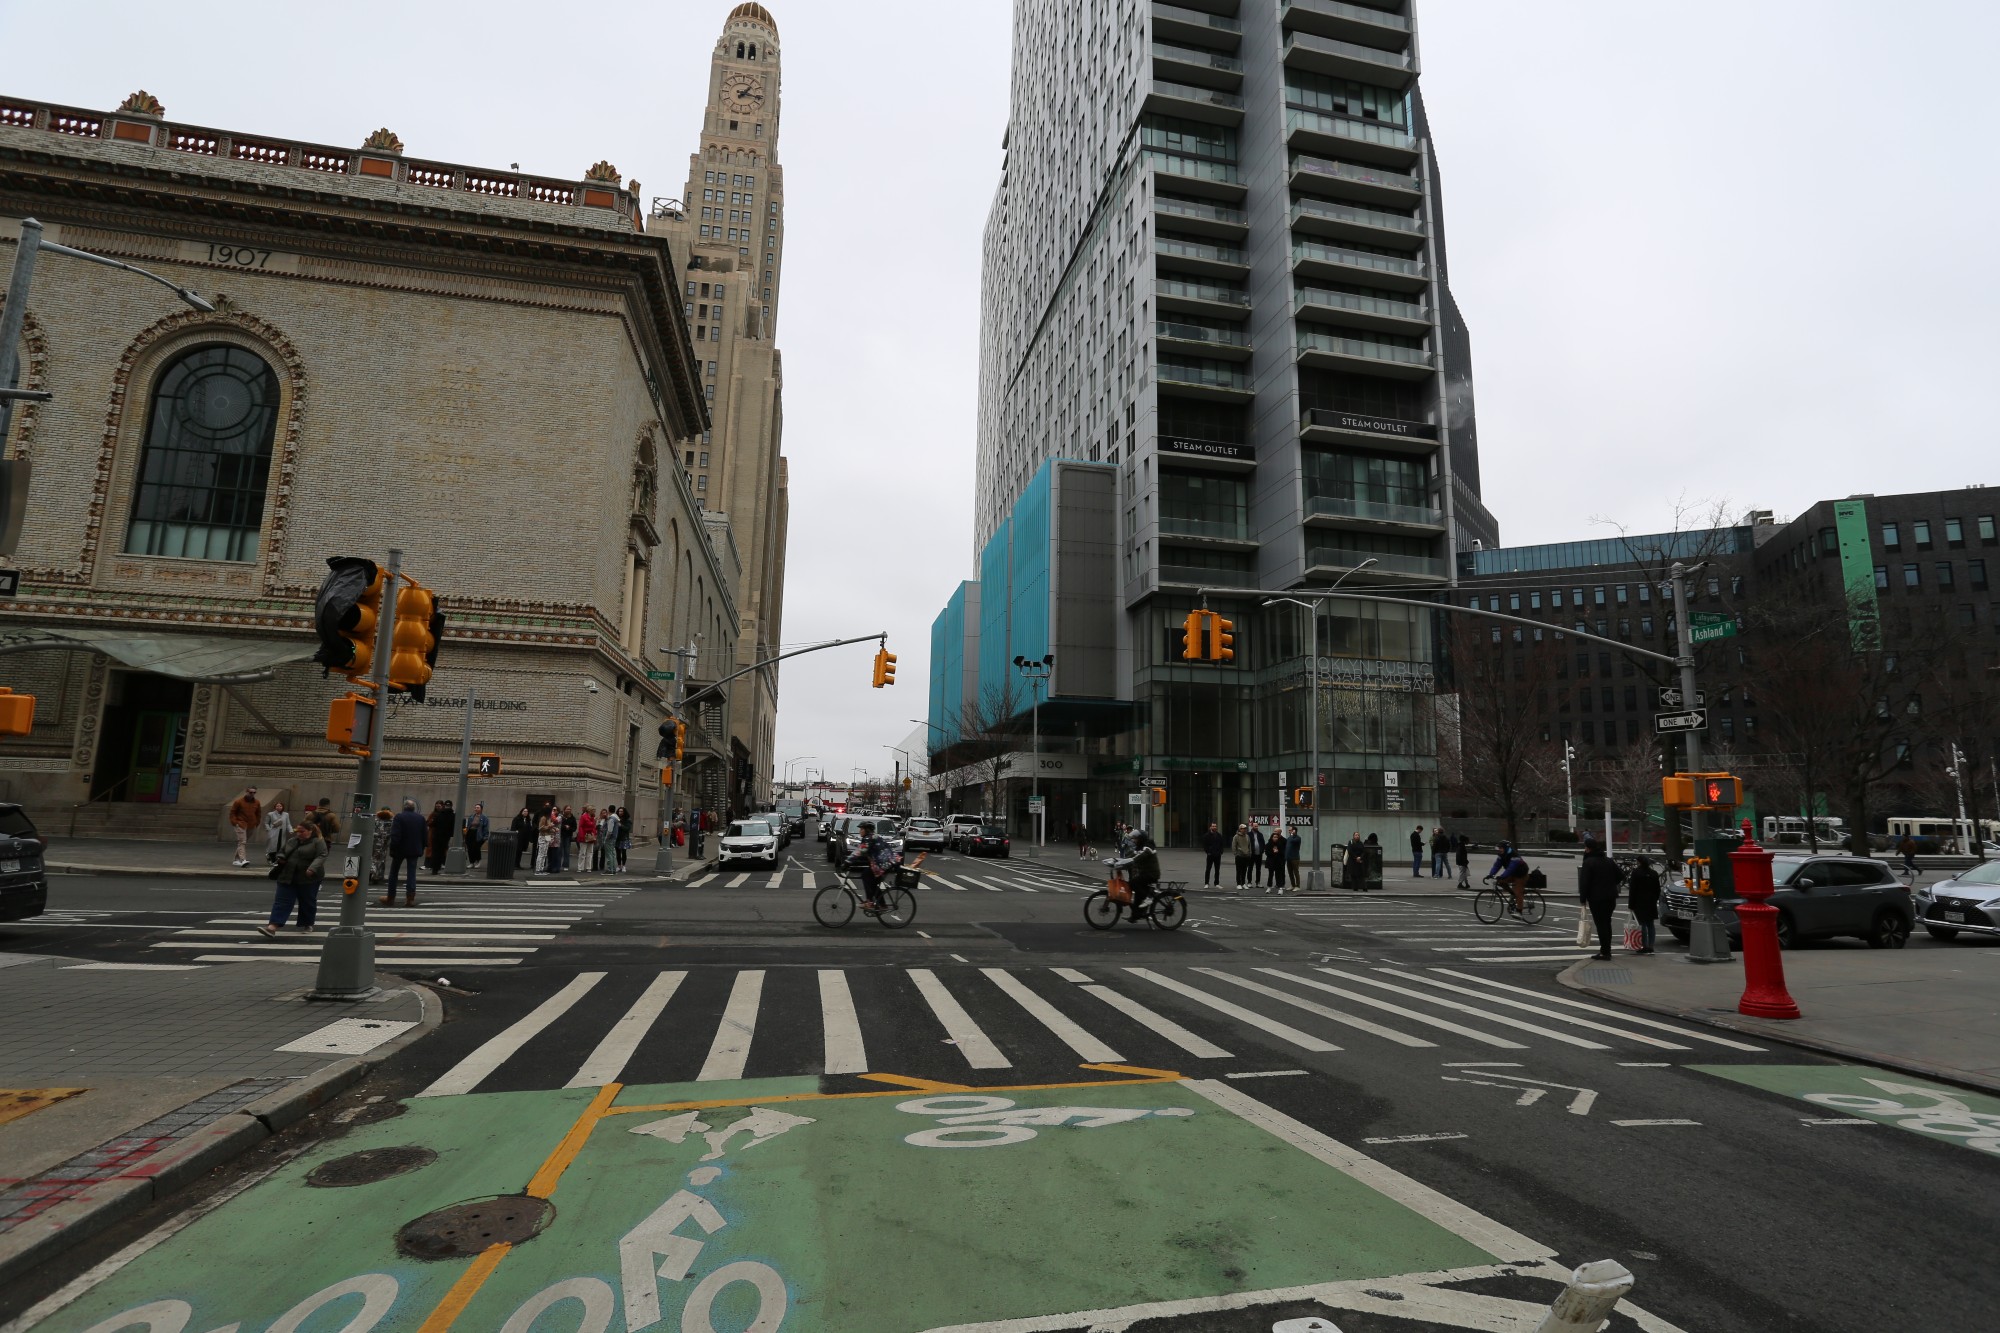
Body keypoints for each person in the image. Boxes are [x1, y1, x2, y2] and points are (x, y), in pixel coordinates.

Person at [259, 819, 325, 937]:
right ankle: (272, 926)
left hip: (308, 878)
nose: (299, 833)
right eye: (297, 831)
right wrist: (281, 857)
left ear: (310, 831)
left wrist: (312, 868)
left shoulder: (317, 842)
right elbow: (282, 851)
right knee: (282, 901)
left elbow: (321, 855)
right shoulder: (292, 841)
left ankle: (307, 923)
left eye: (302, 831)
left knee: (307, 901)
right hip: (287, 875)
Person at [1577, 837, 1625, 960]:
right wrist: (1610, 883)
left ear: (1588, 848)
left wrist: (1583, 899)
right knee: (1607, 923)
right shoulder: (1608, 861)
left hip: (1596, 898)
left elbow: (1584, 882)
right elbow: (1621, 875)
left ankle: (1605, 951)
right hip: (1610, 896)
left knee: (1601, 924)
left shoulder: (1588, 862)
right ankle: (1606, 949)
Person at [843, 819, 897, 911]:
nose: (860, 831)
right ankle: (882, 905)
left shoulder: (869, 838)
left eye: (861, 829)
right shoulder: (873, 837)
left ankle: (870, 902)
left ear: (867, 830)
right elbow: (865, 852)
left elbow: (860, 851)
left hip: (884, 864)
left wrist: (847, 862)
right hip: (887, 863)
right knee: (872, 883)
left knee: (866, 875)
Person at [382, 799, 427, 907]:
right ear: (413, 808)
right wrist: (422, 847)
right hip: (414, 849)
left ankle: (391, 897)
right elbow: (425, 834)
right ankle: (410, 898)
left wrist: (393, 848)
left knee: (394, 873)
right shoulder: (420, 818)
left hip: (400, 849)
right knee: (411, 873)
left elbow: (395, 835)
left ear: (404, 807)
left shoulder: (399, 817)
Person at [1120, 830, 1163, 919]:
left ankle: (1148, 897)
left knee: (1133, 883)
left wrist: (1132, 860)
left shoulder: (1148, 846)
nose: (1134, 840)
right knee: (1137, 893)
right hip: (1145, 873)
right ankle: (1135, 916)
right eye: (1133, 839)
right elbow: (1132, 855)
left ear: (1141, 839)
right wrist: (1120, 861)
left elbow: (1142, 855)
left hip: (1152, 874)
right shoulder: (1140, 847)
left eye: (1135, 839)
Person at [1627, 854, 1662, 955]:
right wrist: (1654, 899)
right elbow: (1658, 889)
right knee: (1650, 924)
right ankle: (1651, 945)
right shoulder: (1654, 873)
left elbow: (1633, 890)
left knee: (1642, 923)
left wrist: (1631, 904)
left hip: (1639, 901)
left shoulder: (1636, 873)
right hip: (1651, 901)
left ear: (1639, 862)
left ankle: (1644, 945)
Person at [1486, 842, 1531, 914]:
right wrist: (1490, 874)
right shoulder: (1501, 855)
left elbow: (1511, 868)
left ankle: (1519, 912)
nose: (1499, 849)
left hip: (1521, 874)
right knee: (1500, 882)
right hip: (1513, 874)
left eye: (1501, 848)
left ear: (1506, 848)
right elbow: (1497, 865)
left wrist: (1502, 876)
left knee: (1518, 892)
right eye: (1499, 848)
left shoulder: (1514, 855)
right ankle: (1512, 894)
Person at [227, 787, 262, 867]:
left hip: (251, 824)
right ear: (246, 792)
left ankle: (236, 860)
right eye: (250, 792)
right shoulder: (238, 801)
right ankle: (243, 859)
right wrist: (235, 822)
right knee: (242, 841)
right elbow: (232, 813)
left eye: (254, 792)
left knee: (242, 842)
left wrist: (257, 822)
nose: (252, 794)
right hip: (240, 824)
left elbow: (258, 813)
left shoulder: (257, 802)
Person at [261, 800, 292, 866]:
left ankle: (277, 860)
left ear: (283, 807)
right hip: (273, 832)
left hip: (282, 832)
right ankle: (271, 859)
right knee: (273, 846)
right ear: (275, 807)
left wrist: (290, 830)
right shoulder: (270, 814)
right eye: (277, 806)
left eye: (280, 806)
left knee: (280, 846)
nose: (279, 807)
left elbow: (288, 823)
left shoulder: (286, 814)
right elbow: (266, 823)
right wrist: (269, 829)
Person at [425, 801, 452, 874]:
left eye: (439, 806)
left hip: (438, 834)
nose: (438, 808)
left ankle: (436, 866)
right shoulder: (435, 814)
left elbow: (432, 823)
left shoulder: (440, 815)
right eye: (436, 806)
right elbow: (429, 822)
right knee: (435, 849)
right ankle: (434, 865)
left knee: (438, 851)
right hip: (436, 834)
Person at [463, 803, 489, 868]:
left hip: (478, 834)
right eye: (475, 808)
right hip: (470, 833)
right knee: (470, 848)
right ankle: (472, 862)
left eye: (478, 808)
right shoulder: (471, 816)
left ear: (481, 809)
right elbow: (468, 826)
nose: (476, 809)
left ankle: (478, 861)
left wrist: (485, 836)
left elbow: (485, 828)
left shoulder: (484, 818)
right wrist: (465, 833)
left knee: (476, 848)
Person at [1264, 826, 1288, 894]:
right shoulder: (1268, 844)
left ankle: (1280, 887)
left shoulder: (1281, 843)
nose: (1275, 838)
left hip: (1279, 861)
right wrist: (1273, 852)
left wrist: (1278, 852)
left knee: (1279, 875)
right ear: (1272, 837)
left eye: (1276, 837)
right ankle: (1269, 887)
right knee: (1270, 875)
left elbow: (1283, 852)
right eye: (1274, 837)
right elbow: (1267, 852)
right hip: (1271, 861)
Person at [1200, 822, 1225, 887]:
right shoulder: (1206, 836)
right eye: (1213, 826)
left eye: (1215, 826)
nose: (1214, 827)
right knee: (1208, 869)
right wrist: (1208, 852)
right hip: (1210, 855)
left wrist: (1221, 852)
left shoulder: (1219, 835)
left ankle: (1216, 883)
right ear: (1210, 827)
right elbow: (1205, 845)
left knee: (1217, 870)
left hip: (1217, 855)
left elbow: (1221, 844)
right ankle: (1206, 883)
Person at [597, 807, 620, 872]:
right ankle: (613, 869)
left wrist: (606, 838)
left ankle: (610, 869)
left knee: (609, 854)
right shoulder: (615, 818)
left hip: (609, 839)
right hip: (613, 838)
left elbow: (609, 831)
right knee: (612, 854)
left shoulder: (611, 819)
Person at [1231, 823, 1253, 888]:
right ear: (1240, 829)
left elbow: (1249, 845)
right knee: (1239, 870)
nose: (1244, 830)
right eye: (1243, 828)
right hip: (1239, 856)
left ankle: (1243, 883)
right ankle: (1238, 884)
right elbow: (1234, 846)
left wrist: (1249, 853)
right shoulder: (1236, 836)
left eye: (1245, 828)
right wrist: (1236, 854)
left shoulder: (1247, 836)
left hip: (1246, 856)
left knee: (1244, 870)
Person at [577, 806, 598, 873]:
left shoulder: (593, 817)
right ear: (589, 810)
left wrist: (594, 834)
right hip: (584, 834)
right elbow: (581, 826)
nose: (594, 812)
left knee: (590, 852)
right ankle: (580, 867)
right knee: (582, 852)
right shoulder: (584, 817)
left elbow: (594, 827)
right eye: (593, 810)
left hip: (591, 835)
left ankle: (588, 867)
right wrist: (582, 835)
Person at [536, 808, 558, 873]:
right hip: (543, 836)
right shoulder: (543, 818)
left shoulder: (548, 818)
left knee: (544, 854)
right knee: (541, 854)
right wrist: (549, 826)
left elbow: (548, 827)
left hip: (547, 836)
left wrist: (553, 828)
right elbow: (540, 828)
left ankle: (541, 868)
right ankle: (538, 869)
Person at [616, 806, 633, 870]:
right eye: (619, 811)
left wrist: (621, 825)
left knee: (623, 852)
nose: (620, 812)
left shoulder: (627, 820)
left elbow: (627, 829)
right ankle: (619, 865)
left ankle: (623, 865)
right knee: (618, 852)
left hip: (624, 838)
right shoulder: (617, 818)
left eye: (621, 811)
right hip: (617, 838)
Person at [1285, 826, 1302, 891]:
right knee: (1290, 872)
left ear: (1294, 830)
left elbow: (1293, 841)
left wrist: (1292, 834)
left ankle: (1298, 886)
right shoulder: (1289, 838)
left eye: (1290, 830)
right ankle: (1292, 885)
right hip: (1288, 858)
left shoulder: (1298, 838)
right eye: (1289, 830)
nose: (1289, 831)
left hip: (1295, 858)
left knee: (1296, 872)